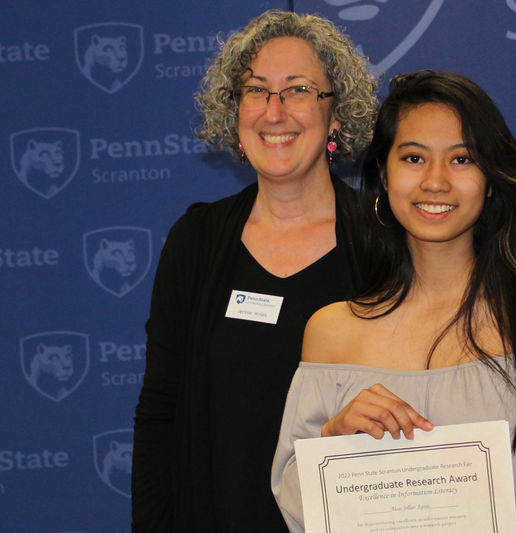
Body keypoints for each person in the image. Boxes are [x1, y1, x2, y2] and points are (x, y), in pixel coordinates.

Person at [272, 70, 516, 531]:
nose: (436, 182)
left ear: (490, 179)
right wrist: (333, 440)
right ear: (384, 173)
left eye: (462, 159)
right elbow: (298, 507)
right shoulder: (330, 333)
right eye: (414, 158)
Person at [132, 10, 377, 532]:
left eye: (298, 90)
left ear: (336, 115)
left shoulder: (385, 242)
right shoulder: (197, 240)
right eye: (257, 90)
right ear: (235, 114)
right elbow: (160, 411)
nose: (275, 110)